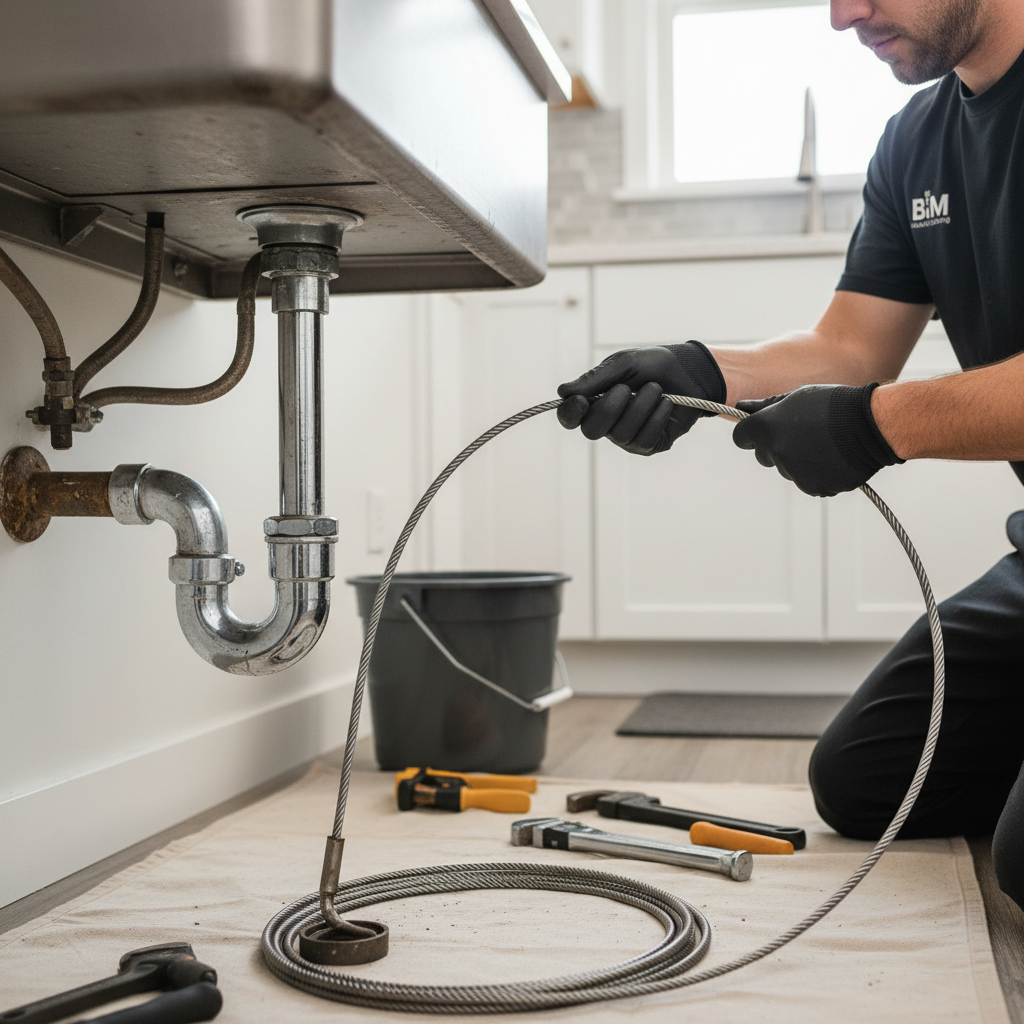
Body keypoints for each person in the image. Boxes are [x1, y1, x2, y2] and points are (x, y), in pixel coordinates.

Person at [556, 0, 1024, 908]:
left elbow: (867, 398)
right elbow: (852, 349)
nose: (845, 14)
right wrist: (699, 371)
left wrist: (874, 426)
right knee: (866, 782)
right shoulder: (917, 140)